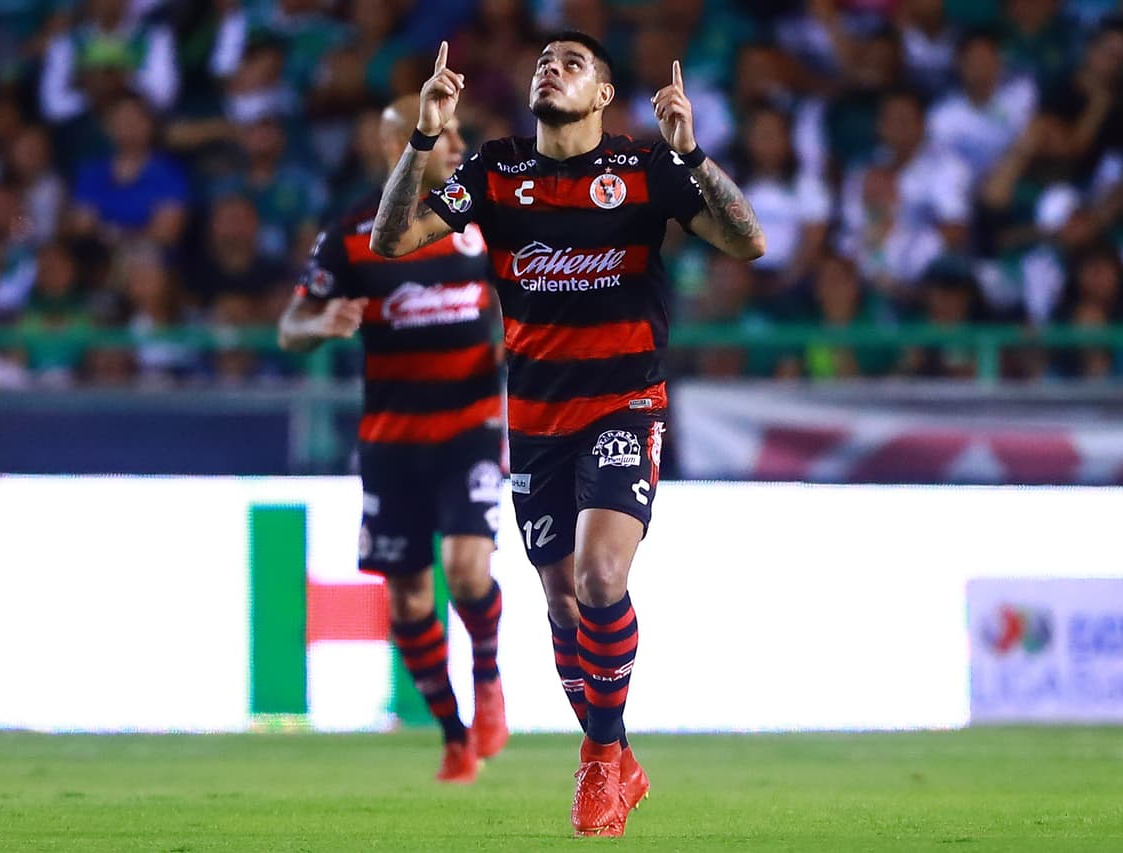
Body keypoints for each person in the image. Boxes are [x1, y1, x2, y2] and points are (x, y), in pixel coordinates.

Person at [369, 33, 766, 837]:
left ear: (604, 95)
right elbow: (392, 241)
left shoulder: (645, 171)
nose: (550, 68)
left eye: (571, 63)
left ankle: (596, 758)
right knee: (558, 604)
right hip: (537, 425)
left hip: (625, 406)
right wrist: (422, 136)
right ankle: (621, 757)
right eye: (543, 61)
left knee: (597, 576)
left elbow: (747, 240)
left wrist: (691, 154)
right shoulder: (494, 171)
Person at [277, 94, 509, 785]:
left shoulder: (480, 221)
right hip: (392, 439)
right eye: (447, 135)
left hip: (471, 426)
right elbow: (291, 325)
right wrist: (322, 324)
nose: (460, 144)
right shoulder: (350, 234)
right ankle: (452, 732)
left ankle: (490, 677)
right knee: (408, 598)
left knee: (467, 570)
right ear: (399, 144)